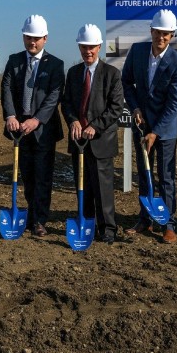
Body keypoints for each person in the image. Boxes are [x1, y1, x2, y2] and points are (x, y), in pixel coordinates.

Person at [121, 9, 177, 244]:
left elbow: (174, 103)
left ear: (172, 35)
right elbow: (126, 82)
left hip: (166, 129)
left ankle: (168, 224)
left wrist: (155, 132)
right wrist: (135, 108)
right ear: (151, 31)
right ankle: (145, 219)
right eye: (158, 32)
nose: (162, 37)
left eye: (167, 34)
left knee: (166, 176)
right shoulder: (138, 51)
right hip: (142, 124)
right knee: (144, 174)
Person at [0, 15, 64, 237]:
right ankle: (29, 214)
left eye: (37, 38)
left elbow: (54, 96)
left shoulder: (56, 65)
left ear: (45, 38)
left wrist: (36, 120)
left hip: (43, 129)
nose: (32, 42)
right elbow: (6, 88)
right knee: (27, 175)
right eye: (28, 38)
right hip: (19, 127)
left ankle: (40, 220)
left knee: (43, 177)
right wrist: (10, 116)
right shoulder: (14, 60)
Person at [61, 24, 124, 244]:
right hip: (79, 141)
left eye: (92, 47)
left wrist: (95, 126)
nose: (87, 51)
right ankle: (86, 223)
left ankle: (108, 228)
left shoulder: (112, 74)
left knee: (103, 189)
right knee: (82, 185)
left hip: (101, 141)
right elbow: (66, 102)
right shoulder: (74, 73)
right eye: (83, 47)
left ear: (99, 47)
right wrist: (73, 120)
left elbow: (116, 107)